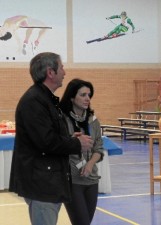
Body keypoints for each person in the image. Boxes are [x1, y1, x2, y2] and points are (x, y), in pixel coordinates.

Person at [9, 52, 94, 225]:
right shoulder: (34, 101)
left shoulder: (45, 99)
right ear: (50, 72)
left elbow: (48, 135)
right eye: (61, 67)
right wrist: (76, 143)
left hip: (48, 180)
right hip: (42, 183)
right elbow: (46, 142)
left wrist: (70, 137)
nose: (65, 72)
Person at [59, 79, 105, 225]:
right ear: (72, 97)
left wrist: (90, 164)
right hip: (72, 180)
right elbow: (57, 146)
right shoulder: (62, 120)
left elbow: (98, 148)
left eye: (89, 95)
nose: (87, 98)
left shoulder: (93, 120)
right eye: (83, 94)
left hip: (91, 179)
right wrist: (72, 141)